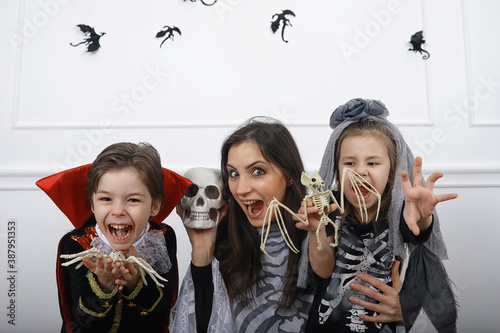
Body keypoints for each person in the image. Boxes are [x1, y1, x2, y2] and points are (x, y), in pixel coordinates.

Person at [169, 117, 410, 333]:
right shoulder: (226, 235)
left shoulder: (328, 227)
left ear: (289, 176)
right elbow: (196, 326)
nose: (241, 189)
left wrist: (405, 313)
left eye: (257, 171)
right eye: (233, 174)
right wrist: (202, 249)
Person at [300, 98, 458, 332]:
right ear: (337, 168)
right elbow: (323, 271)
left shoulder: (398, 210)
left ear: (392, 172)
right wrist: (317, 230)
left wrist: (424, 216)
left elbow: (417, 230)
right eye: (349, 163)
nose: (361, 171)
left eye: (373, 163)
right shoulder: (330, 206)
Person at [36, 142, 192, 333]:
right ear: (92, 204)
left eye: (133, 199)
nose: (118, 211)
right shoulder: (78, 245)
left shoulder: (161, 238)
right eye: (106, 199)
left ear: (155, 206)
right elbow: (79, 321)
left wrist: (135, 284)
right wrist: (103, 285)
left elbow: (162, 310)